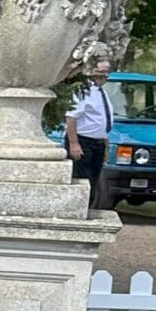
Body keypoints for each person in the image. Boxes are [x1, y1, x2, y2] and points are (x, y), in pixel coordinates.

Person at [64, 61, 113, 211]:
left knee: (93, 181)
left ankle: (87, 210)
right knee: (82, 180)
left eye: (105, 73)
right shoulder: (82, 91)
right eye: (100, 72)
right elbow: (71, 118)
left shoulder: (101, 92)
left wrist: (105, 145)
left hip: (98, 142)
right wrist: (74, 143)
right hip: (83, 141)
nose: (103, 76)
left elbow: (102, 121)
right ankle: (76, 210)